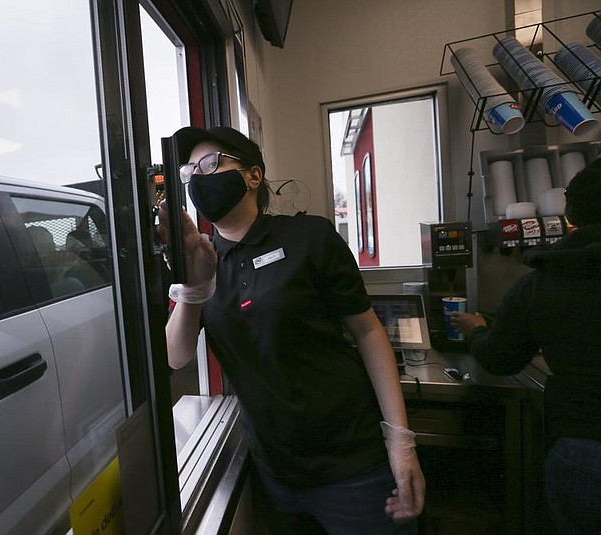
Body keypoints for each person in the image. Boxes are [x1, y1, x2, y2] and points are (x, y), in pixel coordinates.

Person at [159, 126, 425, 533]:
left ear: (252, 176)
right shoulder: (204, 260)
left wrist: (401, 442)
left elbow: (368, 333)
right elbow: (175, 356)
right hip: (276, 473)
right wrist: (195, 287)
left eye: (211, 163)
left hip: (352, 465)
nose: (198, 177)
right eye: (189, 171)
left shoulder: (309, 237)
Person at [451, 157, 601, 535]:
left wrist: (477, 330)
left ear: (571, 217)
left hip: (585, 447)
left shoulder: (541, 283)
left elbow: (499, 358)